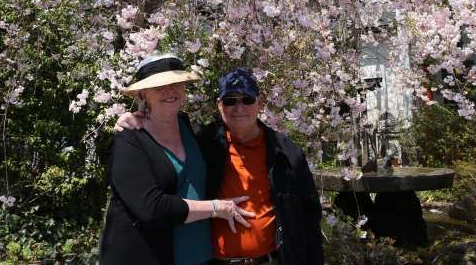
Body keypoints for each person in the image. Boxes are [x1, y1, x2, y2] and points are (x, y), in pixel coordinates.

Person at [117, 68, 324, 265]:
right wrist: (132, 118)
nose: (239, 108)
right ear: (219, 105)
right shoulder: (202, 144)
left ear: (261, 103)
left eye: (247, 99)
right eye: (230, 101)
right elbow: (159, 144)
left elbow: (309, 218)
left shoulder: (286, 153)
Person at [100, 54, 255, 265]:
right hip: (149, 256)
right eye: (160, 87)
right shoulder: (130, 138)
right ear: (143, 94)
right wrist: (217, 208)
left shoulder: (184, 124)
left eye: (176, 84)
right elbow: (152, 208)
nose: (170, 91)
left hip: (201, 256)